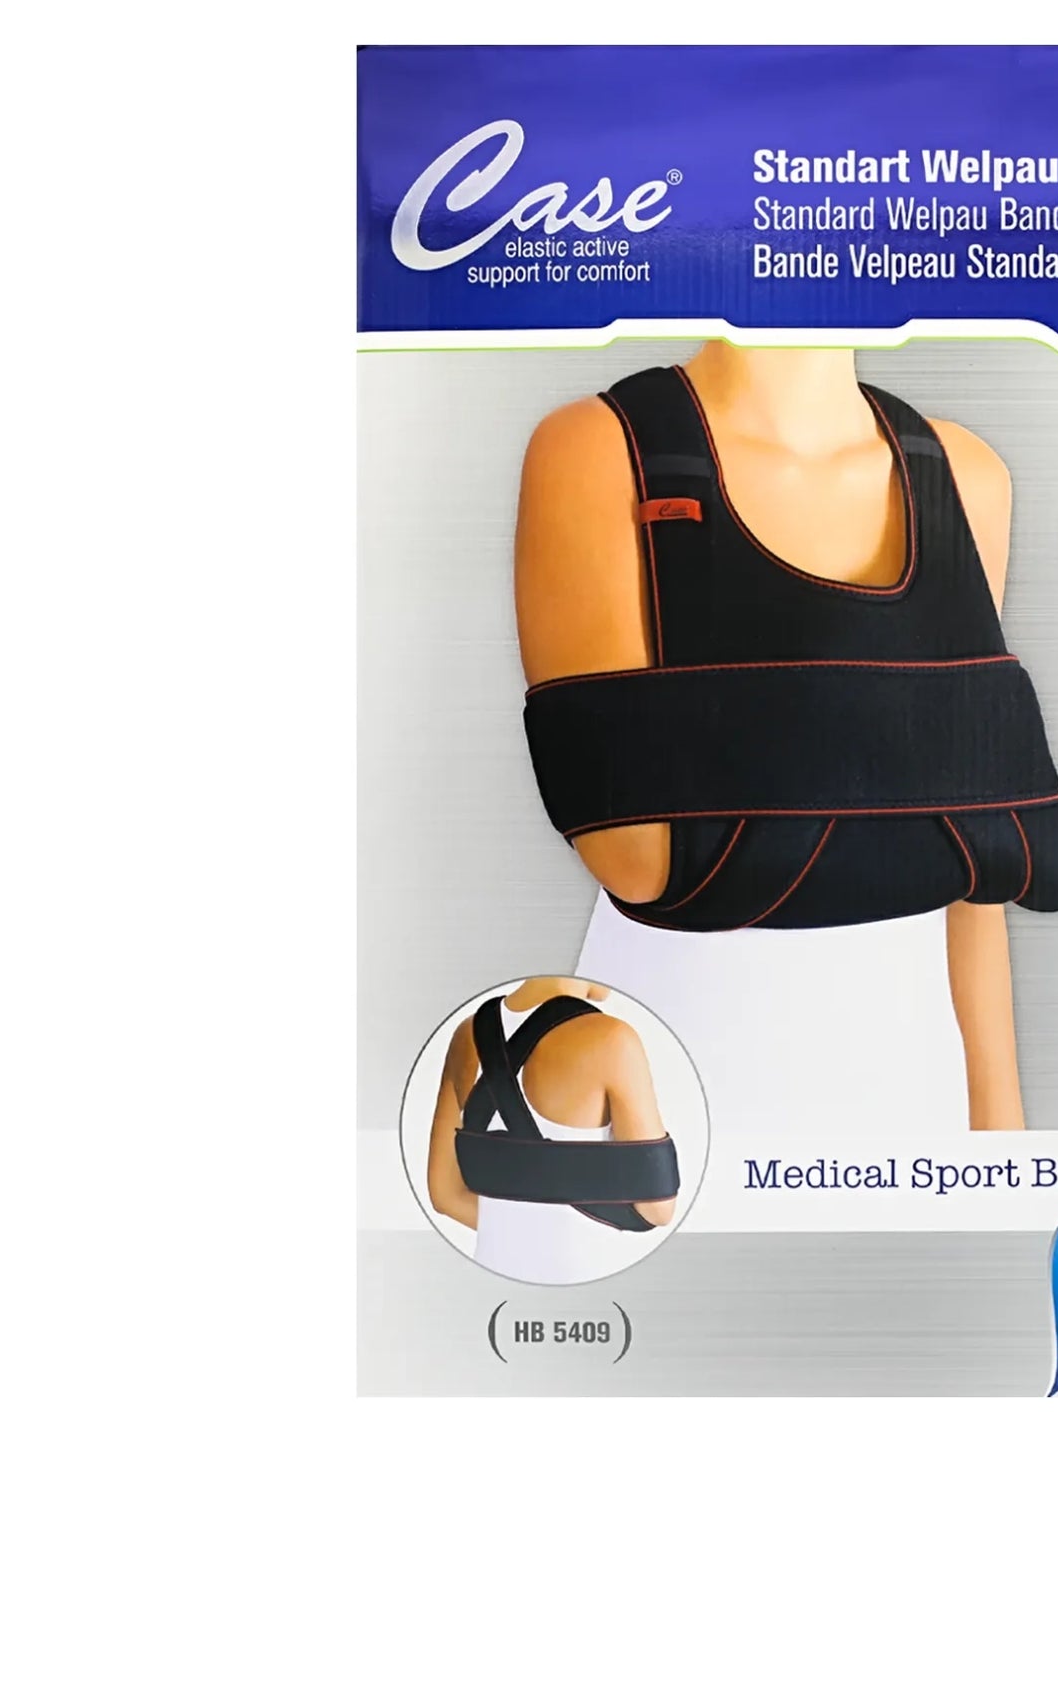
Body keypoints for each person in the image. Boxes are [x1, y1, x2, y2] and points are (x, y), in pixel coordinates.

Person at [515, 342, 1025, 1131]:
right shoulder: (601, 448)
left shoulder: (964, 475)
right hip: (677, 1050)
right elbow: (644, 853)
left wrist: (1001, 1137)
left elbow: (974, 847)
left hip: (915, 1063)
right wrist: (898, 772)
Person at [425, 978, 674, 1283]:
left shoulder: (467, 1034)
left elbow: (445, 1194)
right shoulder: (612, 1039)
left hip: (494, 1273)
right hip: (592, 1279)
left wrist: (522, 1230)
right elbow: (658, 1207)